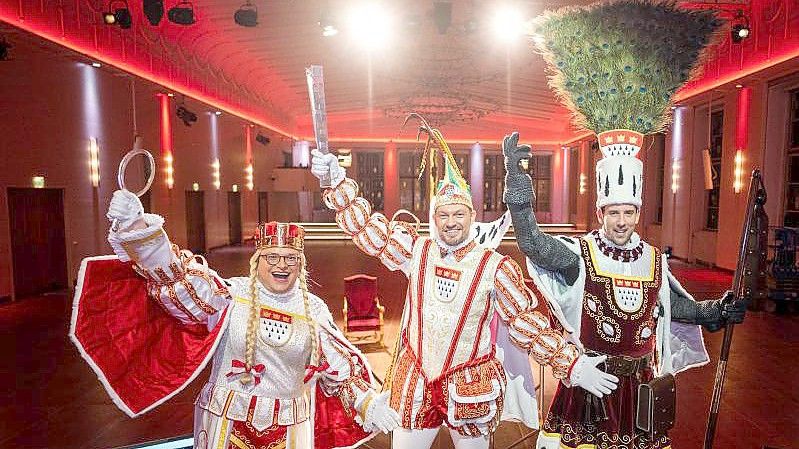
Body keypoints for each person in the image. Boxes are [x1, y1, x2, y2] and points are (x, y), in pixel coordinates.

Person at [310, 119, 618, 449]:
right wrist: (337, 183)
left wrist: (571, 364)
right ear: (434, 217)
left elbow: (526, 323)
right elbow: (370, 232)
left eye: (459, 214)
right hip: (417, 382)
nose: (451, 222)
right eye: (444, 215)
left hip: (470, 388)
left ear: (472, 218)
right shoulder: (417, 250)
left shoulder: (494, 266)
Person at [73, 190, 399, 449]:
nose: (281, 265)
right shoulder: (231, 295)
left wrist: (368, 403)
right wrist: (140, 230)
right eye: (272, 257)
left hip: (291, 432)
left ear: (300, 266)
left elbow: (339, 372)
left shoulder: (313, 309)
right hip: (225, 426)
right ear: (258, 260)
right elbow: (182, 285)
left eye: (290, 259)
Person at [502, 130, 746, 449]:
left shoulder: (653, 260)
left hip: (639, 390)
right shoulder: (580, 256)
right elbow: (532, 243)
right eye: (613, 212)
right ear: (600, 213)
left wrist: (716, 311)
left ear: (638, 214)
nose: (621, 221)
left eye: (628, 212)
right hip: (591, 387)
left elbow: (676, 307)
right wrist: (517, 183)